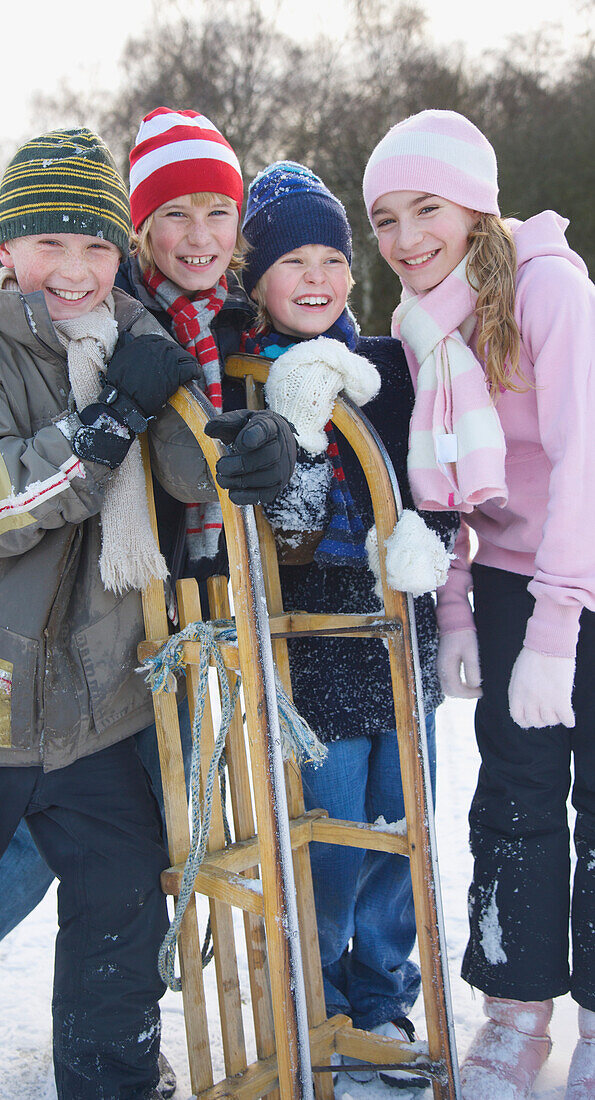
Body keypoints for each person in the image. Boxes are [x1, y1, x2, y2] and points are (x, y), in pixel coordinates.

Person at [0, 126, 293, 1100]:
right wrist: (103, 424)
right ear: (6, 248)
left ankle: (113, 1082)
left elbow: (187, 465)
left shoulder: (139, 340)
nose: (73, 269)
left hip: (98, 709)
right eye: (48, 244)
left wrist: (249, 448)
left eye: (95, 246)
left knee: (117, 915)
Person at [363, 108, 595, 1100]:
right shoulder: (427, 324)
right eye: (382, 218)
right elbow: (443, 478)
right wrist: (457, 609)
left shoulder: (551, 289)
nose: (406, 237)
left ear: (475, 207)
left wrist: (555, 627)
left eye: (426, 208)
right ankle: (512, 1015)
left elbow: (585, 462)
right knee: (511, 796)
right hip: (505, 577)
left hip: (579, 574)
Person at [238, 160, 458, 1093]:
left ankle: (380, 997)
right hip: (307, 644)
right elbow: (276, 524)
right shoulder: (248, 379)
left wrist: (430, 536)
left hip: (394, 640)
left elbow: (434, 480)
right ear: (257, 281)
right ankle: (317, 1000)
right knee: (327, 835)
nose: (318, 277)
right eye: (294, 262)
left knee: (402, 825)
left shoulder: (390, 372)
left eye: (333, 257)